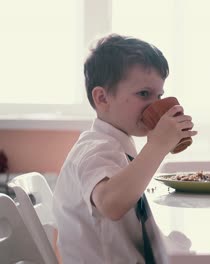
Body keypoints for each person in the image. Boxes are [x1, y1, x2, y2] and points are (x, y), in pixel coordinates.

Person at [53, 33, 197, 263]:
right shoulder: (93, 148)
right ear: (102, 98)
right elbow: (111, 204)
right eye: (143, 94)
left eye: (159, 95)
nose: (156, 103)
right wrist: (158, 145)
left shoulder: (119, 144)